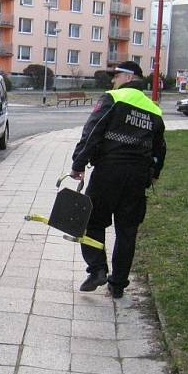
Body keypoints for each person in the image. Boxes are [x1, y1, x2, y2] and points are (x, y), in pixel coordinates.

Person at [70, 60, 166, 298]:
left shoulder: (112, 98)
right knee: (127, 230)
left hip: (108, 171)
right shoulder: (153, 109)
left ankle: (97, 269)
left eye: (116, 75)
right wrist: (154, 173)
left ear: (129, 77)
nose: (113, 80)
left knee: (91, 222)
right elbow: (160, 148)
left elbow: (93, 130)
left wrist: (78, 163)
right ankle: (118, 285)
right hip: (137, 176)